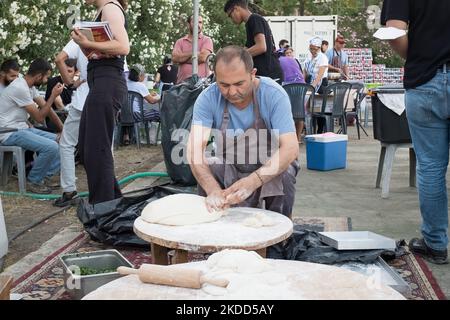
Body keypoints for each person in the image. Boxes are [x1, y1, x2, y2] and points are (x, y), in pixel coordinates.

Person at [187, 46, 299, 218]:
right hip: (230, 163)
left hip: (267, 164)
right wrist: (212, 189)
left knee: (285, 172)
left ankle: (278, 238)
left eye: (239, 84)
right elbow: (195, 151)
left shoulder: (274, 94)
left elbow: (290, 148)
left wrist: (253, 181)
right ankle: (213, 228)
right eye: (223, 85)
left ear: (252, 74)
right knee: (209, 165)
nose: (232, 92)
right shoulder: (207, 98)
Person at [383, 0, 449, 264]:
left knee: (431, 167)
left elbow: (394, 30)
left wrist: (419, 55)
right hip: (425, 80)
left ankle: (435, 244)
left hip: (425, 82)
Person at [71, 0, 129, 205]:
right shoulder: (103, 11)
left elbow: (123, 46)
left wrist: (87, 44)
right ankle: (112, 204)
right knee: (89, 149)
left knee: (97, 150)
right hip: (101, 83)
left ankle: (104, 210)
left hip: (107, 82)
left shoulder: (110, 8)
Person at [0, 58, 63, 194]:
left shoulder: (30, 87)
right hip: (8, 132)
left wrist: (63, 129)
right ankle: (34, 181)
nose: (46, 80)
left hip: (22, 129)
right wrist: (53, 96)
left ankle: (43, 177)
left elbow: (47, 109)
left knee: (62, 141)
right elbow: (40, 118)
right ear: (39, 76)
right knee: (51, 147)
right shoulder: (19, 88)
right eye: (46, 77)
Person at [53, 40, 89, 207]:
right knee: (103, 145)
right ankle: (105, 190)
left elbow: (59, 59)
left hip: (83, 101)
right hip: (107, 96)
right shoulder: (113, 35)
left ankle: (69, 191)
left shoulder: (81, 34)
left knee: (67, 144)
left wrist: (69, 82)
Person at [224, 0, 284, 83]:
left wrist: (239, 56)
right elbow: (247, 49)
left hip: (269, 74)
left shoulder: (254, 19)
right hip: (264, 73)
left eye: (230, 15)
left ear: (236, 9)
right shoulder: (249, 24)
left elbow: (261, 47)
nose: (232, 19)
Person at [122, 64, 160, 144]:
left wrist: (149, 94)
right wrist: (161, 98)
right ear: (139, 75)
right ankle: (154, 139)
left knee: (132, 111)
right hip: (137, 115)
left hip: (123, 115)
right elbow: (152, 101)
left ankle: (127, 136)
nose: (144, 77)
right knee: (157, 113)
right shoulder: (141, 86)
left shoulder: (124, 84)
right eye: (144, 75)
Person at [171, 15, 214, 84]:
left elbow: (203, 58)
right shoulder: (180, 41)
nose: (198, 25)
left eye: (200, 22)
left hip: (201, 84)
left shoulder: (207, 40)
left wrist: (182, 59)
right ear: (188, 24)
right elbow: (175, 58)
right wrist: (194, 53)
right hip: (182, 84)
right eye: (195, 22)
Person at [279, 47, 306, 144]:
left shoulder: (279, 60)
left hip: (287, 87)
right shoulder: (294, 61)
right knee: (300, 112)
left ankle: (288, 139)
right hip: (301, 86)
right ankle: (298, 139)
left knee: (287, 112)